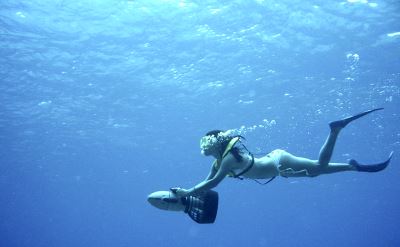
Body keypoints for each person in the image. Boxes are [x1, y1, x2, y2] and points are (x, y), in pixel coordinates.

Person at [171, 108, 393, 198]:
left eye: (205, 141)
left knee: (317, 168)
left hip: (278, 161)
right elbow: (207, 183)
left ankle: (335, 131)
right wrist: (188, 194)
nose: (203, 146)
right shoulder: (219, 162)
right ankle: (353, 166)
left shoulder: (227, 160)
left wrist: (188, 192)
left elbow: (214, 183)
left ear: (216, 143)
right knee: (316, 171)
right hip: (275, 165)